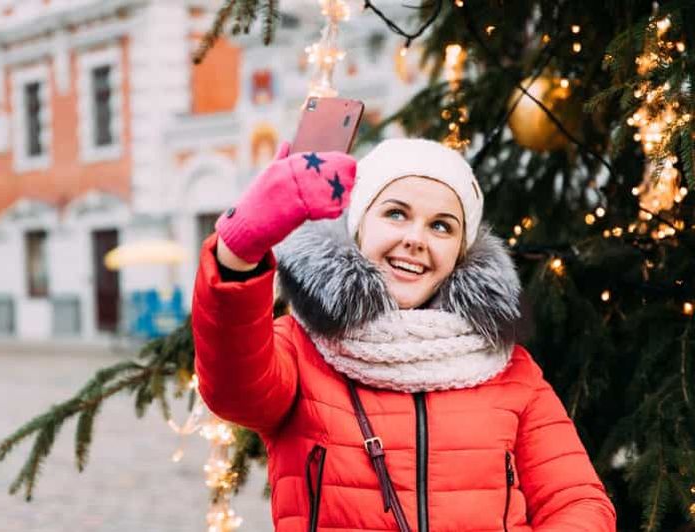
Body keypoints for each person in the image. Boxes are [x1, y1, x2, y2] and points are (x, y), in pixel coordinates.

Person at [192, 138, 616, 531]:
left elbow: (578, 501)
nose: (415, 239)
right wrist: (239, 247)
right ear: (359, 225)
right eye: (396, 213)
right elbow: (233, 389)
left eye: (442, 226)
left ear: (460, 252)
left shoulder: (509, 368)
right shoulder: (300, 348)